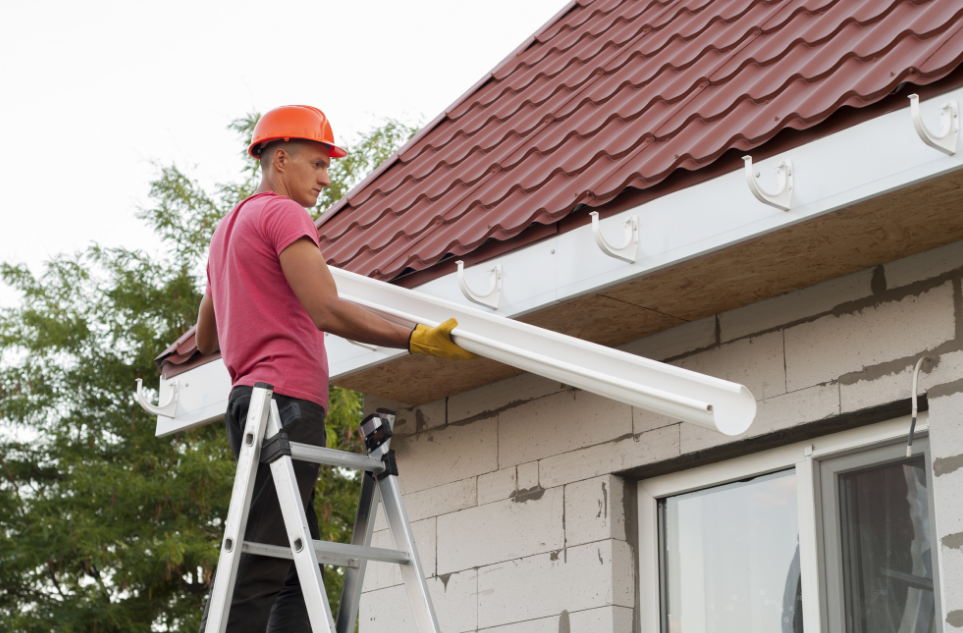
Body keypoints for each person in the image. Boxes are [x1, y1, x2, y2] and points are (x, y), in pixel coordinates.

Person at [194, 105, 474, 632]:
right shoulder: (283, 215)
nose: (326, 177)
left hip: (248, 408)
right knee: (258, 570)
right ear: (281, 159)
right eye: (317, 163)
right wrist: (412, 336)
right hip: (285, 406)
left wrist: (246, 296)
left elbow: (206, 336)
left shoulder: (226, 230)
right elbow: (328, 309)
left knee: (295, 570)